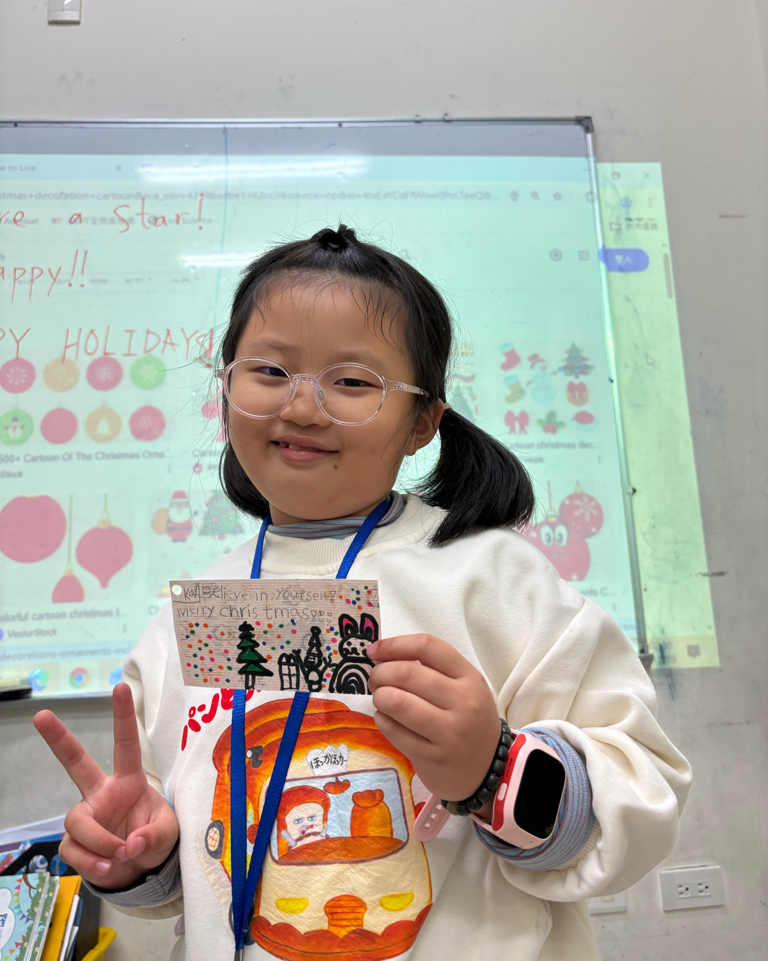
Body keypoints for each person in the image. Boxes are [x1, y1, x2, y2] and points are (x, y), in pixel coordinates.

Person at [34, 225, 691, 961]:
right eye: (270, 371)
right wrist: (139, 858)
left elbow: (643, 796)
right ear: (225, 389)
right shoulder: (187, 620)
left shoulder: (495, 582)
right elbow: (196, 868)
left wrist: (494, 770)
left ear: (422, 423)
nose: (303, 407)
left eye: (352, 382)